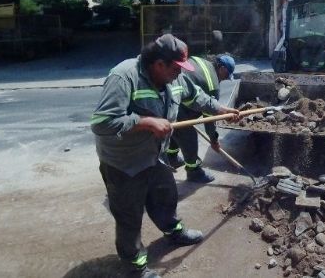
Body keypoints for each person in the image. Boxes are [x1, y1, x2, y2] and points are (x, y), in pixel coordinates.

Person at [90, 34, 239, 278]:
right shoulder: (124, 76)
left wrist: (221, 109)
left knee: (166, 195)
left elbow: (196, 97)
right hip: (124, 162)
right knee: (129, 216)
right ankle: (135, 266)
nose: (179, 73)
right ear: (159, 64)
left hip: (155, 155)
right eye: (176, 68)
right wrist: (146, 122)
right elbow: (102, 122)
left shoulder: (174, 78)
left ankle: (173, 232)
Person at [166, 54, 236, 183]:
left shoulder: (202, 61)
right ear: (222, 68)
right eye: (226, 75)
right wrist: (214, 140)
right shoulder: (213, 86)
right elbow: (209, 120)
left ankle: (171, 157)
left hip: (173, 92)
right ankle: (194, 171)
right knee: (188, 135)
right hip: (174, 98)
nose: (224, 79)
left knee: (178, 131)